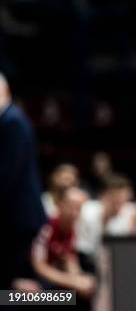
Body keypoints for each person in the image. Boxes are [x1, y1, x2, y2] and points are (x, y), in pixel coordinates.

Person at [0, 72, 47, 289]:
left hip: (18, 218)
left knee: (10, 284)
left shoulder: (13, 122)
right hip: (15, 217)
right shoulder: (10, 120)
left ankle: (51, 301)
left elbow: (7, 172)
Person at [31, 186, 95, 308]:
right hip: (29, 283)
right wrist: (73, 282)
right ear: (60, 205)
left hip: (55, 280)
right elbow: (39, 266)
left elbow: (69, 259)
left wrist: (81, 279)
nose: (74, 213)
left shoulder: (72, 229)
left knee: (87, 292)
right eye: (71, 206)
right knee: (66, 297)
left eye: (78, 208)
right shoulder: (46, 226)